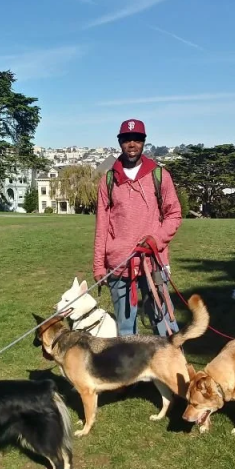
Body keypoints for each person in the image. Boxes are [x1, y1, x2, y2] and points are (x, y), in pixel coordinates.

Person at [93, 118, 182, 337]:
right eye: (126, 139)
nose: (131, 144)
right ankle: (132, 372)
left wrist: (156, 239)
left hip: (153, 262)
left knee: (165, 325)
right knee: (125, 331)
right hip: (119, 266)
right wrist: (98, 265)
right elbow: (102, 225)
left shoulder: (159, 175)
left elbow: (174, 214)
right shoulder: (108, 180)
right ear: (119, 142)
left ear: (144, 142)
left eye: (137, 139)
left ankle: (176, 369)